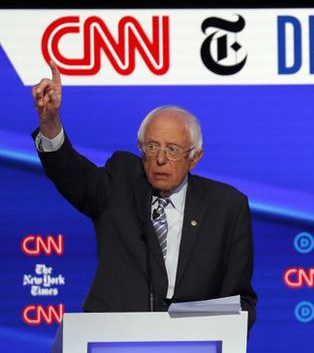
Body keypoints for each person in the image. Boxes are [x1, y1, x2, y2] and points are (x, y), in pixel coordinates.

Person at [31, 62, 257, 328]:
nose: (160, 159)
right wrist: (50, 123)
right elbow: (72, 174)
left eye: (173, 149)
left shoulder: (226, 206)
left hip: (194, 348)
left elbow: (239, 299)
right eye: (152, 147)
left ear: (195, 158)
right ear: (140, 149)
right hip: (115, 340)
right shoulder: (121, 183)